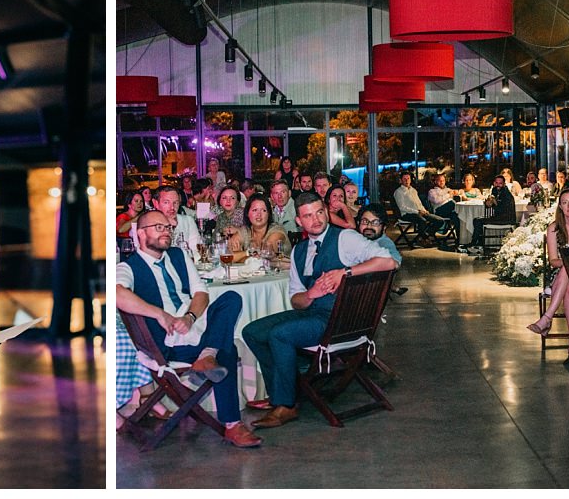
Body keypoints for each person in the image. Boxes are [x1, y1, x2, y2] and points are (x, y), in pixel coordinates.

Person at [242, 192, 397, 428]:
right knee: (252, 331)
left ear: (326, 211)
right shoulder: (299, 251)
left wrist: (344, 273)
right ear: (299, 221)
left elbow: (389, 262)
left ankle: (286, 404)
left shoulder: (345, 238)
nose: (316, 220)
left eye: (319, 212)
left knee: (279, 334)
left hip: (340, 321)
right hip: (311, 313)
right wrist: (312, 293)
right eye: (308, 216)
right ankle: (282, 392)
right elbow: (296, 301)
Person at [115, 210, 262, 448]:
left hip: (195, 327)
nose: (167, 232)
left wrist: (191, 317)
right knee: (226, 349)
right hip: (167, 344)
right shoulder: (128, 267)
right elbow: (117, 293)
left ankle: (206, 355)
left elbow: (201, 293)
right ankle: (233, 425)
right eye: (159, 227)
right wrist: (160, 314)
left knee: (231, 297)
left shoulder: (178, 255)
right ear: (141, 233)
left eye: (168, 227)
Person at [526, 189, 569, 353]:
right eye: (565, 202)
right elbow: (553, 261)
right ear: (560, 207)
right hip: (561, 273)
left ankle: (547, 318)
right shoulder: (554, 228)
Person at [227, 194, 292, 265]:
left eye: (263, 210)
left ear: (268, 214)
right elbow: (227, 256)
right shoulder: (245, 231)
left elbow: (265, 256)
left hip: (282, 274)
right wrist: (246, 253)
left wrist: (239, 256)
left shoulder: (277, 231)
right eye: (255, 210)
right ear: (247, 213)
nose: (259, 214)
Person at [461, 174, 516, 253]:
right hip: (497, 217)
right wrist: (488, 203)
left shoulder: (506, 194)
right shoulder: (494, 190)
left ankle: (475, 244)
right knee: (477, 220)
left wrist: (495, 203)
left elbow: (503, 210)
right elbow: (490, 205)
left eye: (500, 183)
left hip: (506, 218)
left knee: (478, 221)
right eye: (496, 183)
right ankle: (477, 243)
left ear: (504, 184)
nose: (498, 185)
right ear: (494, 183)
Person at [393, 170, 445, 242]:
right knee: (422, 220)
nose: (406, 180)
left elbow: (419, 203)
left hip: (419, 212)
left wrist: (423, 210)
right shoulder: (398, 192)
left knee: (440, 220)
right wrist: (417, 211)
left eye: (408, 178)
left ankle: (426, 235)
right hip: (407, 214)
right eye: (404, 179)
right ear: (401, 180)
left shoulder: (413, 190)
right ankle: (424, 238)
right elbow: (402, 207)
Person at [152, 186, 201, 257]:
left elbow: (196, 251)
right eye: (166, 202)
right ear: (156, 203)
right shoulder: (148, 226)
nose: (172, 207)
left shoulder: (187, 221)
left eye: (176, 203)